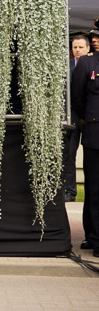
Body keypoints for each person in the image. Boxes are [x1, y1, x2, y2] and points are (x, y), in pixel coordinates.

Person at [71, 47, 99, 255]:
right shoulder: (88, 63)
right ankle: (95, 238)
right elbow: (78, 97)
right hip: (95, 134)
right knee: (95, 189)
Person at [68, 34, 91, 203]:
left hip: (90, 116)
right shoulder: (66, 66)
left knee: (92, 154)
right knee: (69, 154)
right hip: (72, 115)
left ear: (88, 48)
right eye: (75, 47)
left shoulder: (93, 65)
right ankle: (70, 191)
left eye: (80, 47)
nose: (77, 50)